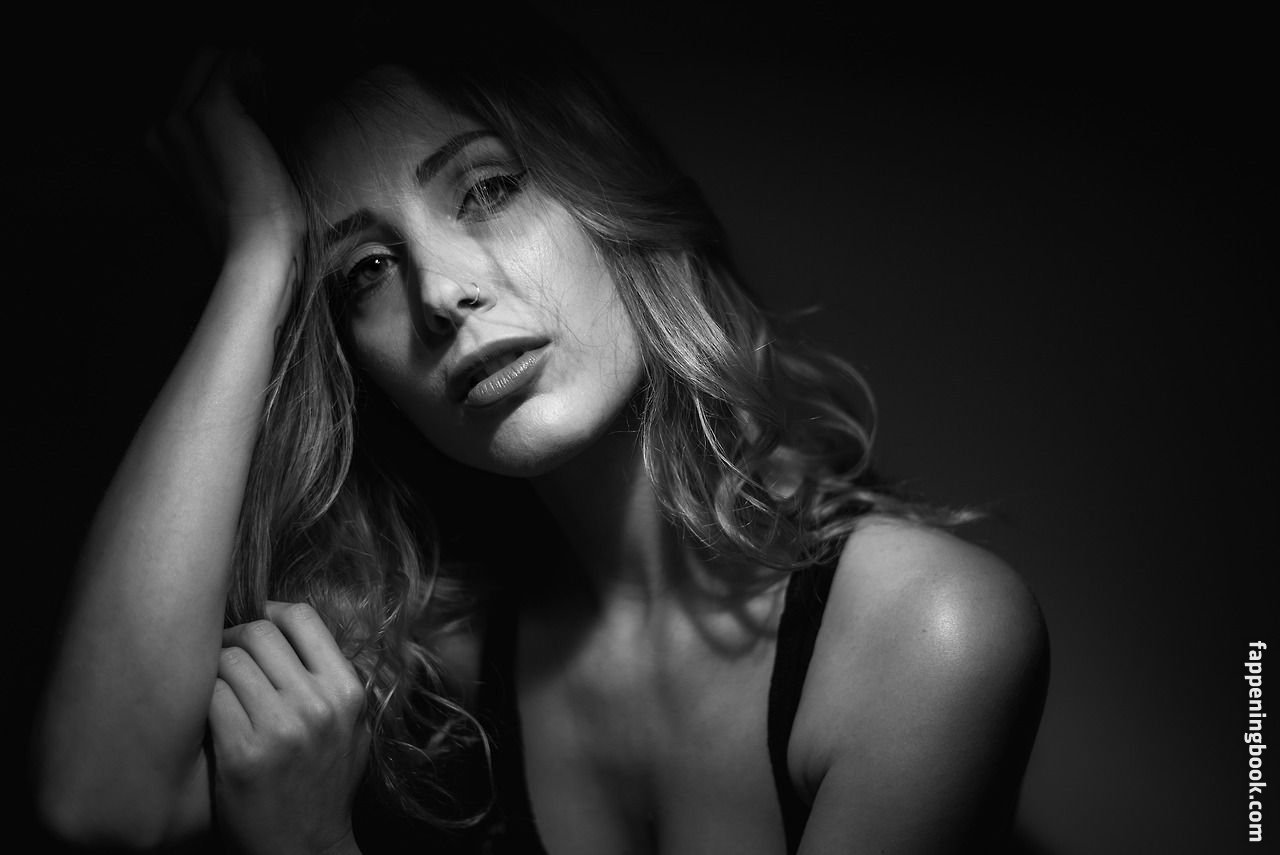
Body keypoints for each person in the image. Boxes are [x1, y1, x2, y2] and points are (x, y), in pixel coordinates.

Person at [34, 9, 1049, 854]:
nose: (442, 293)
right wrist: (258, 260)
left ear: (609, 196)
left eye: (486, 189)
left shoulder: (925, 633)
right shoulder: (445, 665)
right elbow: (103, 803)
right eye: (365, 270)